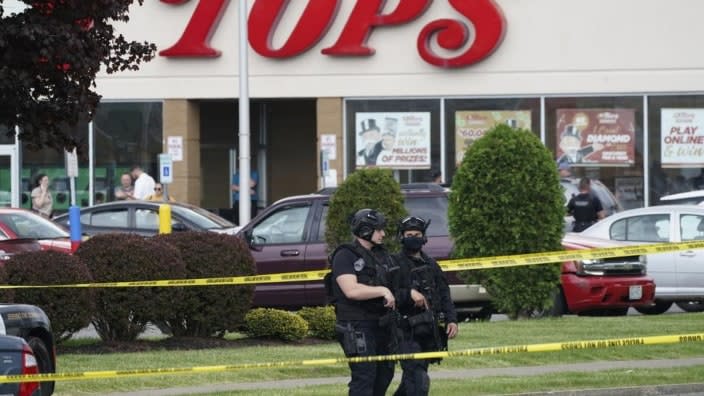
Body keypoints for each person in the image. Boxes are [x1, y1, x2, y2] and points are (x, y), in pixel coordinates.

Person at [328, 208, 403, 396]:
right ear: (365, 230)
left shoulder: (382, 255)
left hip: (382, 324)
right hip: (356, 324)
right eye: (378, 230)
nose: (383, 234)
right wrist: (382, 290)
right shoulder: (345, 255)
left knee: (385, 374)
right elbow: (351, 290)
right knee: (365, 376)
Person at [393, 215, 458, 396]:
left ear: (424, 237)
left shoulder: (431, 264)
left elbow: (444, 293)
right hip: (405, 330)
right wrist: (409, 294)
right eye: (409, 234)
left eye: (417, 234)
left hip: (428, 329)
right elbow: (387, 294)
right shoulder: (394, 263)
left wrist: (452, 320)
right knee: (417, 377)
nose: (413, 237)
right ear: (402, 236)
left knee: (413, 379)